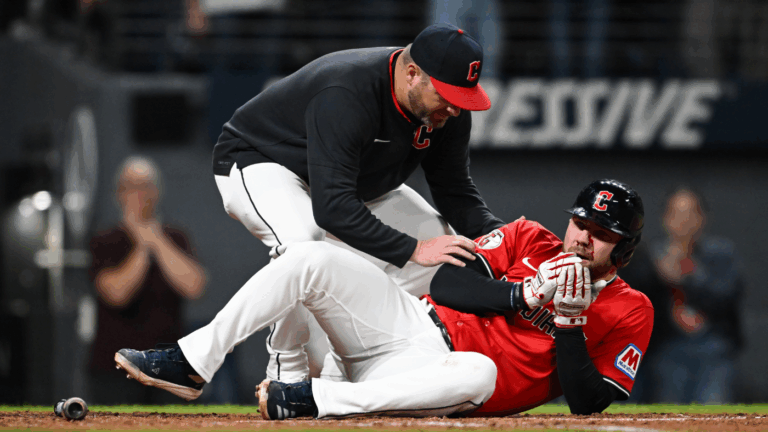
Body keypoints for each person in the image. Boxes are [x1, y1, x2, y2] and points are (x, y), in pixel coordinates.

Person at [114, 179, 653, 418]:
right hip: (407, 326)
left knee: (480, 373)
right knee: (308, 255)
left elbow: (587, 401)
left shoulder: (632, 309)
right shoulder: (530, 237)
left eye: (600, 232)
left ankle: (313, 399)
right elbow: (445, 283)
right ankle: (193, 360)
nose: (582, 236)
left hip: (447, 378)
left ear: (622, 250)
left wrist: (568, 320)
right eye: (580, 221)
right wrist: (521, 292)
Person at [209, 22, 504, 382]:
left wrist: (506, 237)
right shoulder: (349, 88)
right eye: (446, 95)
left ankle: (343, 369)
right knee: (304, 244)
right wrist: (413, 248)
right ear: (412, 74)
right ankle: (287, 368)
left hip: (348, 186)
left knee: (444, 245)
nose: (455, 109)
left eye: (462, 97)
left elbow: (454, 190)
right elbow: (332, 208)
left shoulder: (445, 108)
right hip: (262, 162)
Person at [88, 156, 207, 404]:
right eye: (131, 186)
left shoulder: (175, 237)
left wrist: (156, 239)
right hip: (116, 369)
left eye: (145, 186)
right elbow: (116, 294)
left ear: (157, 192)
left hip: (168, 368)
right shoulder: (106, 240)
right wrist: (143, 246)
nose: (139, 194)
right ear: (119, 193)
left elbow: (194, 286)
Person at [627, 188, 743, 403]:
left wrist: (690, 275)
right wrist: (659, 276)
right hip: (667, 349)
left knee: (714, 407)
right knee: (670, 410)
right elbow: (635, 305)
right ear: (665, 219)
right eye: (677, 215)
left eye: (690, 214)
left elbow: (727, 298)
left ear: (702, 218)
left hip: (713, 348)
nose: (684, 222)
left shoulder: (720, 255)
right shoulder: (649, 256)